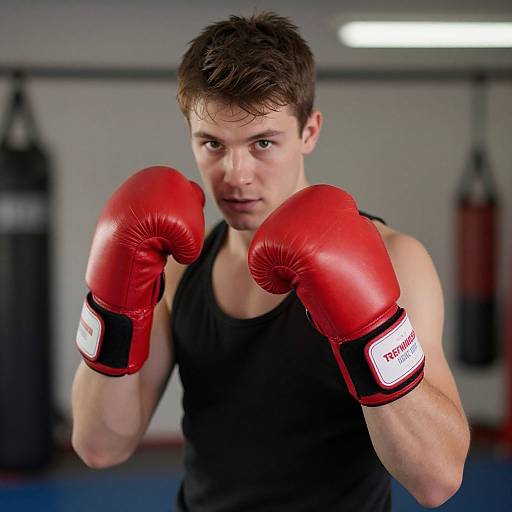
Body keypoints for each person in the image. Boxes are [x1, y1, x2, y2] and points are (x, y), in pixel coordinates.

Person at [71, 12, 470, 511]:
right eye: (212, 144)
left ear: (309, 132)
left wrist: (368, 329)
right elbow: (100, 445)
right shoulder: (178, 266)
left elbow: (438, 480)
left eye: (262, 143)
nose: (235, 175)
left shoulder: (396, 260)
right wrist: (112, 303)